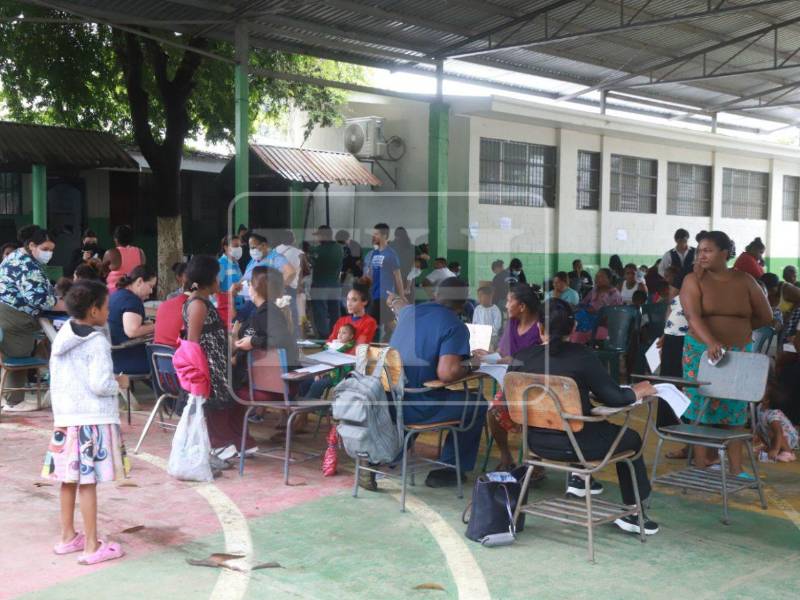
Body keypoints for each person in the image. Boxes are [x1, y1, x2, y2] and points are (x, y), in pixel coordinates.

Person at [509, 298, 660, 535]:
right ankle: (633, 512)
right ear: (574, 328)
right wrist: (636, 390)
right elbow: (615, 398)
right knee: (630, 438)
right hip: (579, 445)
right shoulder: (583, 356)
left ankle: (579, 480)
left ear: (539, 327)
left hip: (536, 444)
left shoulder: (521, 357)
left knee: (582, 423)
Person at [43, 279, 130, 565]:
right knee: (88, 483)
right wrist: (119, 382)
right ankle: (92, 546)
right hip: (91, 421)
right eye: (105, 307)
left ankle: (68, 537)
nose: (108, 311)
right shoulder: (97, 342)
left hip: (66, 421)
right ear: (93, 311)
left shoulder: (62, 336)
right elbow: (100, 384)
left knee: (68, 480)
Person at [681, 230, 772, 477]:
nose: (701, 255)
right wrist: (713, 341)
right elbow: (692, 316)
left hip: (739, 351)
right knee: (701, 406)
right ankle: (701, 464)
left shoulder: (744, 280)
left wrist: (738, 334)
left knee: (734, 409)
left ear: (724, 253)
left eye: (707, 250)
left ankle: (735, 467)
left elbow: (766, 316)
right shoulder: (693, 280)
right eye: (699, 251)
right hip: (701, 350)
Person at [388, 278, 486, 488]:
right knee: (476, 403)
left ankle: (392, 452)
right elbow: (448, 372)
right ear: (462, 304)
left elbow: (399, 305)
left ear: (435, 295)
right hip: (418, 405)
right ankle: (449, 468)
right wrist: (473, 363)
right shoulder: (454, 325)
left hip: (389, 402)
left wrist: (395, 299)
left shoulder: (408, 313)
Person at [185, 255, 256, 457]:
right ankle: (221, 443)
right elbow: (193, 342)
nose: (219, 281)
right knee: (220, 405)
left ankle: (239, 440)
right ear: (208, 280)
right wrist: (202, 372)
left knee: (235, 399)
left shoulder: (205, 301)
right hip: (211, 368)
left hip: (220, 363)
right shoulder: (198, 304)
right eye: (217, 277)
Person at [0, 225, 65, 407]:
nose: (49, 253)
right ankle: (14, 402)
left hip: (9, 315)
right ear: (31, 245)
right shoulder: (26, 264)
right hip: (13, 318)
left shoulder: (17, 257)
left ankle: (12, 401)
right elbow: (39, 299)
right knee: (18, 357)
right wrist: (68, 305)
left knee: (19, 355)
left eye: (51, 250)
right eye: (45, 249)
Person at [233, 266, 298, 428]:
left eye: (250, 283)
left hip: (268, 385)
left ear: (257, 288)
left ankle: (227, 434)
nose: (248, 287)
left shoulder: (269, 313)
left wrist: (252, 342)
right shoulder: (261, 312)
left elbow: (280, 340)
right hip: (263, 381)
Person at [490, 284, 542, 470]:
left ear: (522, 306)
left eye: (510, 300)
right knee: (492, 412)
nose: (506, 305)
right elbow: (502, 352)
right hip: (513, 385)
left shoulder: (541, 327)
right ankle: (506, 456)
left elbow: (542, 360)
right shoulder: (512, 323)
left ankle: (536, 463)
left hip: (537, 387)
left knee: (536, 416)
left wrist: (509, 360)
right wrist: (488, 356)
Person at [108, 265, 157, 375]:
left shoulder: (117, 295)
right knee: (174, 362)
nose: (151, 291)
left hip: (114, 356)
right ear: (139, 281)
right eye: (150, 286)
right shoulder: (132, 300)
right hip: (128, 358)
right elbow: (132, 331)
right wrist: (159, 326)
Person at [362, 223, 404, 340]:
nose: (373, 237)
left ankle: (404, 341)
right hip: (372, 294)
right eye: (373, 234)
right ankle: (402, 340)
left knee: (385, 322)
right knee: (385, 322)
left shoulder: (391, 254)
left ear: (384, 236)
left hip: (384, 295)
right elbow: (369, 275)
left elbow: (397, 276)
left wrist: (401, 296)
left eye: (376, 234)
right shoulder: (372, 254)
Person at [571, 268, 623, 344]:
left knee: (579, 315)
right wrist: (574, 307)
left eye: (601, 276)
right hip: (590, 319)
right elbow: (583, 303)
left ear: (609, 279)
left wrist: (582, 309)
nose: (596, 278)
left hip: (604, 324)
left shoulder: (613, 294)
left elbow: (598, 311)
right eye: (596, 276)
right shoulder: (594, 290)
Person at [310, 225, 344, 340]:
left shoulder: (318, 250)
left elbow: (311, 264)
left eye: (319, 235)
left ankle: (323, 336)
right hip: (335, 285)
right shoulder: (339, 248)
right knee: (335, 311)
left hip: (320, 285)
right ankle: (336, 334)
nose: (317, 238)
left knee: (320, 312)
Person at [755, 382, 797, 463]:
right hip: (774, 435)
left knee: (774, 432)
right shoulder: (759, 407)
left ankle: (788, 452)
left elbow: (779, 433)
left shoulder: (773, 414)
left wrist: (774, 450)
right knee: (759, 426)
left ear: (767, 400)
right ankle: (772, 447)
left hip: (788, 437)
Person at [275, 229, 306, 335]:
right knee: (292, 311)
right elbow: (305, 271)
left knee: (279, 310)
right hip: (292, 286)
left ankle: (280, 333)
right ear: (293, 239)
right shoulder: (299, 253)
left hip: (277, 286)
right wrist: (299, 283)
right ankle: (295, 335)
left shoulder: (275, 251)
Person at [103, 225, 144, 295]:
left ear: (116, 239)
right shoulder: (140, 252)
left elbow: (103, 272)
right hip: (135, 292)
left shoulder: (111, 253)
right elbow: (143, 270)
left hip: (114, 293)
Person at [217, 235, 244, 330]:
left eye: (240, 246)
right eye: (235, 246)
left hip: (239, 307)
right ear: (225, 247)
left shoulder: (235, 263)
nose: (239, 248)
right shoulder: (221, 264)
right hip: (228, 310)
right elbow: (215, 289)